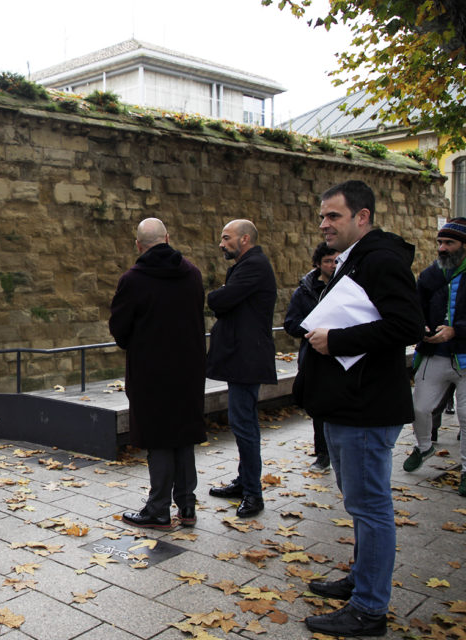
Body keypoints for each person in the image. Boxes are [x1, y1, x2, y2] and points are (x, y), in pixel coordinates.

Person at [295, 180, 423, 637]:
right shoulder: (358, 260)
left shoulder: (382, 260)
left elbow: (408, 325)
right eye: (322, 216)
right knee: (359, 504)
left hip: (366, 409)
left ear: (362, 217)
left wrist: (338, 340)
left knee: (370, 507)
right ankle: (361, 578)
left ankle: (370, 609)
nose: (324, 224)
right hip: (347, 405)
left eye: (334, 216)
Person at [109, 218, 206, 530]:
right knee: (184, 435)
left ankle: (158, 509)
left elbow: (120, 331)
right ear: (168, 238)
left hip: (151, 372)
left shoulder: (133, 280)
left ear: (139, 245)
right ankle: (187, 506)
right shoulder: (192, 274)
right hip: (189, 370)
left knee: (159, 438)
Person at [206, 219, 277, 518]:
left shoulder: (254, 265)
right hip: (242, 359)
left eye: (227, 238)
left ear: (244, 239)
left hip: (247, 360)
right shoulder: (246, 265)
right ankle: (244, 482)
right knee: (241, 423)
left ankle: (253, 493)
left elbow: (220, 300)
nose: (221, 244)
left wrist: (218, 295)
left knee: (244, 425)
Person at [405, 218, 466, 497]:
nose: (442, 248)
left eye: (449, 243)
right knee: (419, 407)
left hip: (464, 356)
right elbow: (415, 307)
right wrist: (423, 329)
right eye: (440, 243)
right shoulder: (430, 275)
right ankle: (424, 446)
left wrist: (456, 331)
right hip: (435, 354)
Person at [284, 242, 341, 473]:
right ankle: (323, 453)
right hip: (314, 355)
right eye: (328, 261)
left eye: (336, 261)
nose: (332, 265)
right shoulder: (305, 290)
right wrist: (311, 327)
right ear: (318, 264)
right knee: (318, 407)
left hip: (340, 352)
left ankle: (338, 450)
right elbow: (290, 323)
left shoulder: (345, 286)